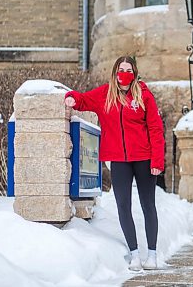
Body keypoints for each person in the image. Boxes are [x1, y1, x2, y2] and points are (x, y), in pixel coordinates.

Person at [64, 55, 164, 271]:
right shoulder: (105, 94)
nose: (124, 73)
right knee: (122, 206)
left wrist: (157, 160)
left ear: (134, 73)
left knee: (148, 206)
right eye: (120, 69)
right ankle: (135, 254)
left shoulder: (144, 95)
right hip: (119, 160)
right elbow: (84, 100)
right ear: (115, 72)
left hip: (145, 159)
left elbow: (156, 129)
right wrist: (71, 97)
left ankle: (153, 255)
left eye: (128, 69)